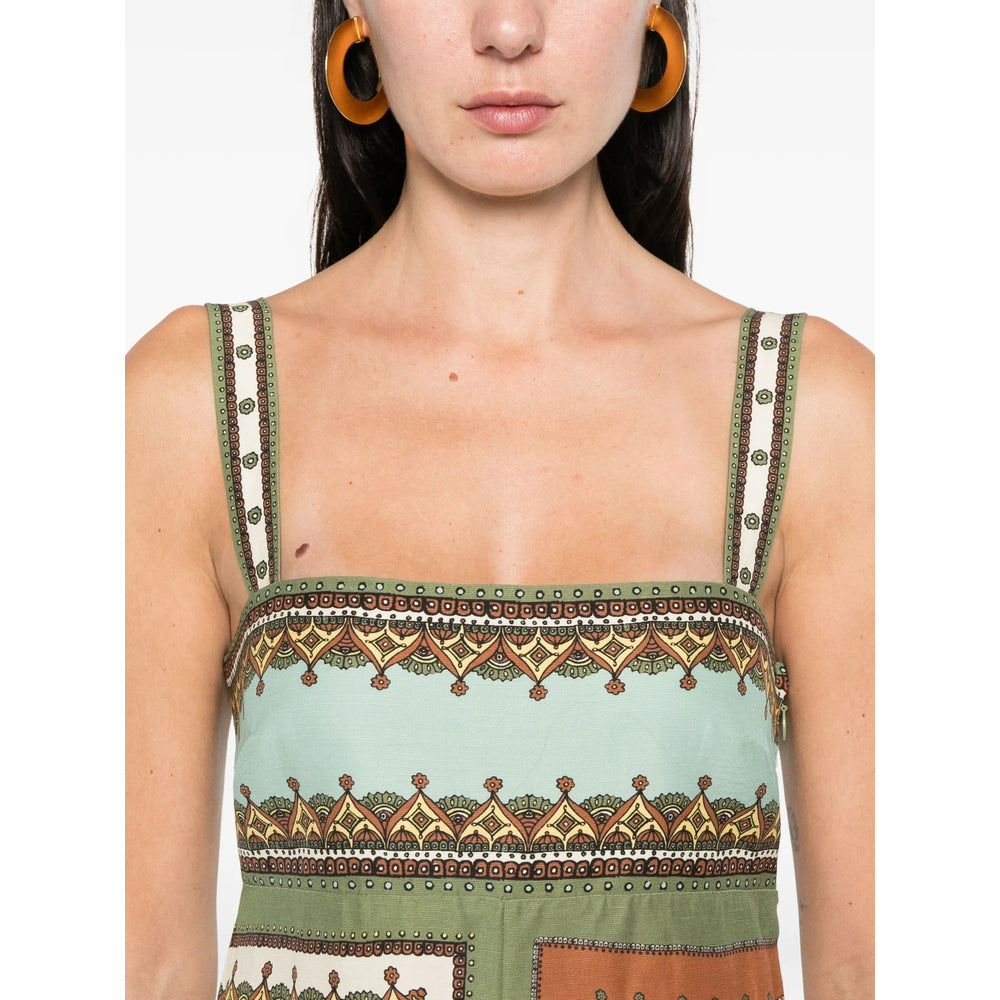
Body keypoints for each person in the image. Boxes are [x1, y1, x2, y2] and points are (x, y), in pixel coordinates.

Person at [125, 2, 873, 998]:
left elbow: (869, 969)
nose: (509, 28)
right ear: (356, 11)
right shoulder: (195, 403)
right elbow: (148, 969)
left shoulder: (817, 414)